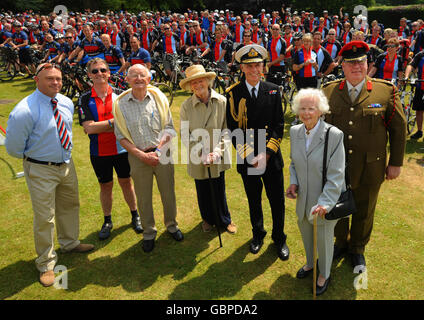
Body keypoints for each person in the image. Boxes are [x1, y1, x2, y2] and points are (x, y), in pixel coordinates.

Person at [5, 63, 94, 287]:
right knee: (45, 217)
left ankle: (70, 243)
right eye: (49, 79)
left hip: (66, 164)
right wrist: (37, 158)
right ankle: (45, 263)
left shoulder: (64, 102)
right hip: (40, 168)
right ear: (37, 80)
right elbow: (14, 148)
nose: (55, 83)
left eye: (58, 79)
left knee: (70, 205)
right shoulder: (24, 110)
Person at [321, 41, 406, 271]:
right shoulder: (328, 91)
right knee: (337, 206)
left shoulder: (385, 90)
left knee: (365, 207)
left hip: (371, 165)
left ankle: (357, 248)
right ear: (343, 66)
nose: (356, 66)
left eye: (360, 61)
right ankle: (340, 242)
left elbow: (399, 130)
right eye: (350, 63)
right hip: (337, 166)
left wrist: (396, 163)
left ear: (367, 63)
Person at [226, 44, 289, 260]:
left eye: (258, 65)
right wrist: (250, 155)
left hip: (270, 157)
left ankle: (279, 238)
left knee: (276, 200)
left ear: (263, 67)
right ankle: (258, 234)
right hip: (249, 156)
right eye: (249, 66)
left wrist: (267, 154)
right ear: (242, 67)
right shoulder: (233, 94)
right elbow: (233, 129)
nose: (254, 70)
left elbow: (279, 125)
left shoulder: (273, 89)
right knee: (254, 200)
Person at [112, 64, 183, 253]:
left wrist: (158, 152)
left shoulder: (158, 98)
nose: (138, 78)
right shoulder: (120, 104)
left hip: (163, 154)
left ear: (149, 79)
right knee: (143, 198)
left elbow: (169, 128)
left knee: (168, 194)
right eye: (133, 75)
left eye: (142, 75)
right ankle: (149, 233)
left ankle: (172, 226)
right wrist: (142, 155)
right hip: (138, 156)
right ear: (127, 80)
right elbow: (121, 136)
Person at [286, 88, 345, 296]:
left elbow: (337, 175)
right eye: (302, 108)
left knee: (324, 239)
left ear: (320, 110)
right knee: (305, 232)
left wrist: (325, 203)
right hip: (302, 199)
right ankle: (311, 263)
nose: (306, 113)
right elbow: (294, 163)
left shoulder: (334, 135)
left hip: (324, 201)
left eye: (311, 108)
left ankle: (325, 273)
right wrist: (293, 183)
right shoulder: (295, 131)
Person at [77, 58, 142, 240]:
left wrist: (101, 125)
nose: (99, 74)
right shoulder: (84, 98)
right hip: (99, 152)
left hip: (122, 150)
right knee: (105, 186)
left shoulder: (121, 95)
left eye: (103, 70)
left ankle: (135, 216)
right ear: (89, 75)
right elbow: (89, 128)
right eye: (95, 71)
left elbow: (131, 121)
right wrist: (116, 122)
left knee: (126, 183)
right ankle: (107, 221)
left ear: (108, 72)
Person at [179, 64, 237, 234]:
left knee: (219, 187)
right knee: (202, 188)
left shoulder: (222, 101)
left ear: (208, 81)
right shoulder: (185, 106)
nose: (198, 85)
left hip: (218, 152)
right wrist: (200, 153)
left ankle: (224, 219)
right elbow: (184, 134)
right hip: (197, 154)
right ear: (190, 86)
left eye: (201, 81)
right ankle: (207, 219)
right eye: (194, 83)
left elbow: (227, 130)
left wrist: (218, 152)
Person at [404, 49, 424, 139]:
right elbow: (411, 66)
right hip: (421, 86)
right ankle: (419, 131)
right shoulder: (420, 55)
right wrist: (406, 76)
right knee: (419, 110)